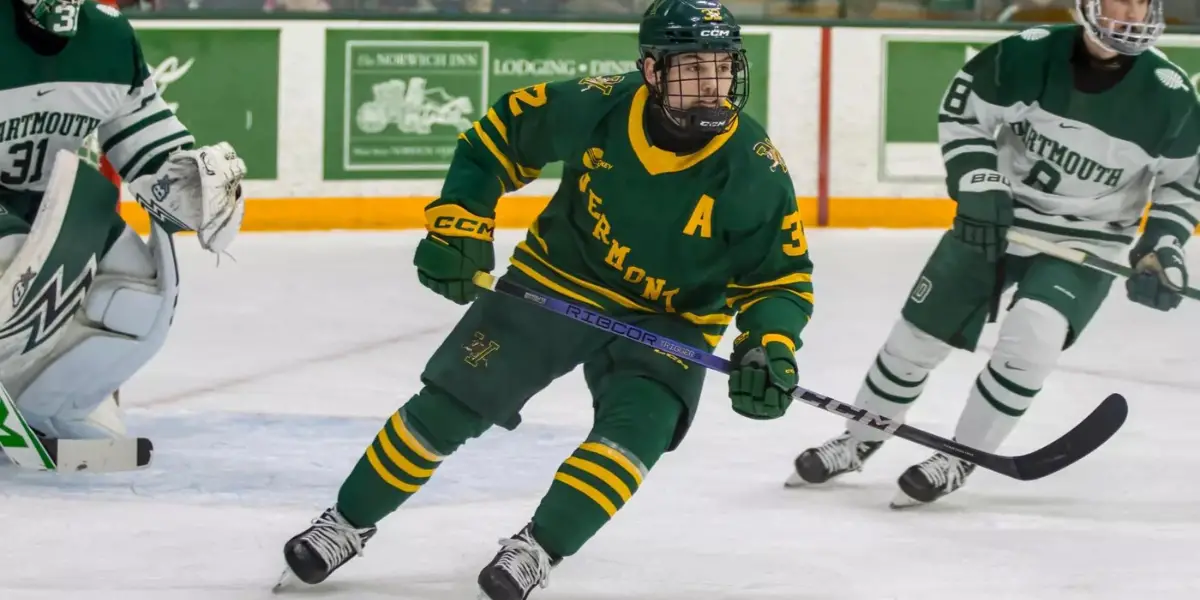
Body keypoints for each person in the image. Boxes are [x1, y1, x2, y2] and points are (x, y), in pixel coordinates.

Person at [277, 1, 813, 598]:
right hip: (560, 276)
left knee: (638, 431)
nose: (712, 87)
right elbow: (493, 140)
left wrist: (772, 345)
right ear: (652, 70)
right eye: (692, 68)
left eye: (722, 67)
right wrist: (459, 220)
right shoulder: (596, 104)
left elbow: (779, 279)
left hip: (674, 315)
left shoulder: (755, 168)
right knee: (453, 401)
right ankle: (346, 523)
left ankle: (537, 547)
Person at [785, 0, 1200, 508]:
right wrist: (980, 182)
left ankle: (960, 457)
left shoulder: (1171, 96)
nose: (1134, 11)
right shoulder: (1026, 56)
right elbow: (965, 115)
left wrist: (1162, 247)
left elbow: (1183, 185)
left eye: (1145, 0)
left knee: (1032, 339)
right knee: (914, 340)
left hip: (1085, 241)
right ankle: (858, 440)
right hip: (996, 221)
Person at [1, 0, 246, 445]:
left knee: (136, 290)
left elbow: (144, 131)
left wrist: (183, 178)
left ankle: (49, 405)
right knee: (12, 260)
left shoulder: (110, 39)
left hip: (46, 202)